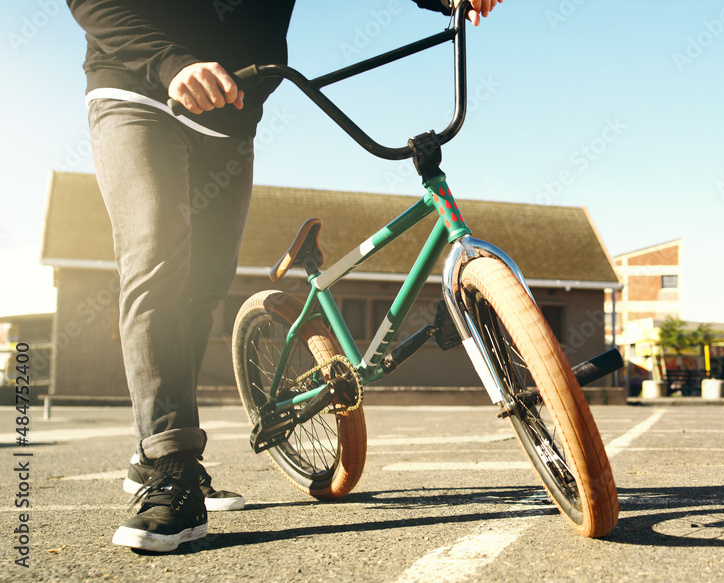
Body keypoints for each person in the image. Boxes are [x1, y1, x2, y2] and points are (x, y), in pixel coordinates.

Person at [69, 0, 501, 553]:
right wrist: (171, 62)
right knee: (156, 259)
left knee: (205, 285)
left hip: (230, 117)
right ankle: (170, 466)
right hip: (139, 90)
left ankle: (154, 445)